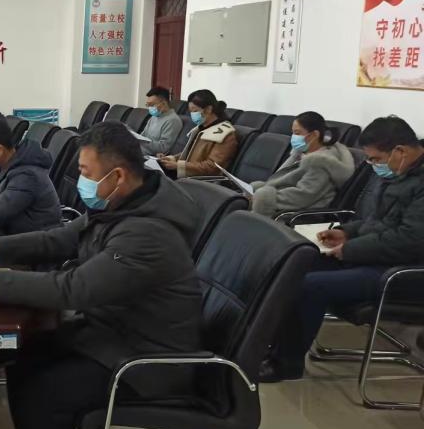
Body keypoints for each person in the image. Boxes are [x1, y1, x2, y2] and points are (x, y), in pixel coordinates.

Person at [0, 122, 202, 429]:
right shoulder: (124, 205)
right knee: (24, 354)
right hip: (113, 332)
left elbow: (73, 288)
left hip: (146, 358)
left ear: (117, 175)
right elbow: (60, 239)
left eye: (86, 173)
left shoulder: (148, 233)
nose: (81, 182)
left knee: (47, 390)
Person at [261, 116, 424, 382]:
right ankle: (268, 347)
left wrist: (351, 249)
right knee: (293, 264)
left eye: (375, 159)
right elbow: (378, 222)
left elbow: (410, 240)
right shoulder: (400, 172)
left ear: (400, 151)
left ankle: (286, 364)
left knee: (311, 286)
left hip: (404, 271)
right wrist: (346, 232)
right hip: (378, 256)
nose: (372, 165)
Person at [250, 111, 355, 218]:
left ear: (314, 135)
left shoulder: (320, 162)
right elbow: (281, 181)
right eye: (293, 133)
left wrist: (263, 197)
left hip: (297, 215)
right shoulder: (302, 152)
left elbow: (303, 197)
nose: (293, 137)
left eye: (297, 133)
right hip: (283, 207)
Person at [159, 89, 238, 177]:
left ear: (208, 109)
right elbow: (191, 154)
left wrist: (178, 165)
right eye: (190, 112)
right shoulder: (201, 128)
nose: (192, 115)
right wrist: (172, 158)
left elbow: (212, 167)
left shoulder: (225, 134)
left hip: (201, 180)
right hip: (187, 174)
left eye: (195, 111)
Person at [140, 86, 183, 156]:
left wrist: (142, 142)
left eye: (151, 105)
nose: (149, 107)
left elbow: (163, 147)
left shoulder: (173, 120)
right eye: (148, 105)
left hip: (150, 155)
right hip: (141, 150)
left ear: (164, 103)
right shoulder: (154, 117)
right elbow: (143, 135)